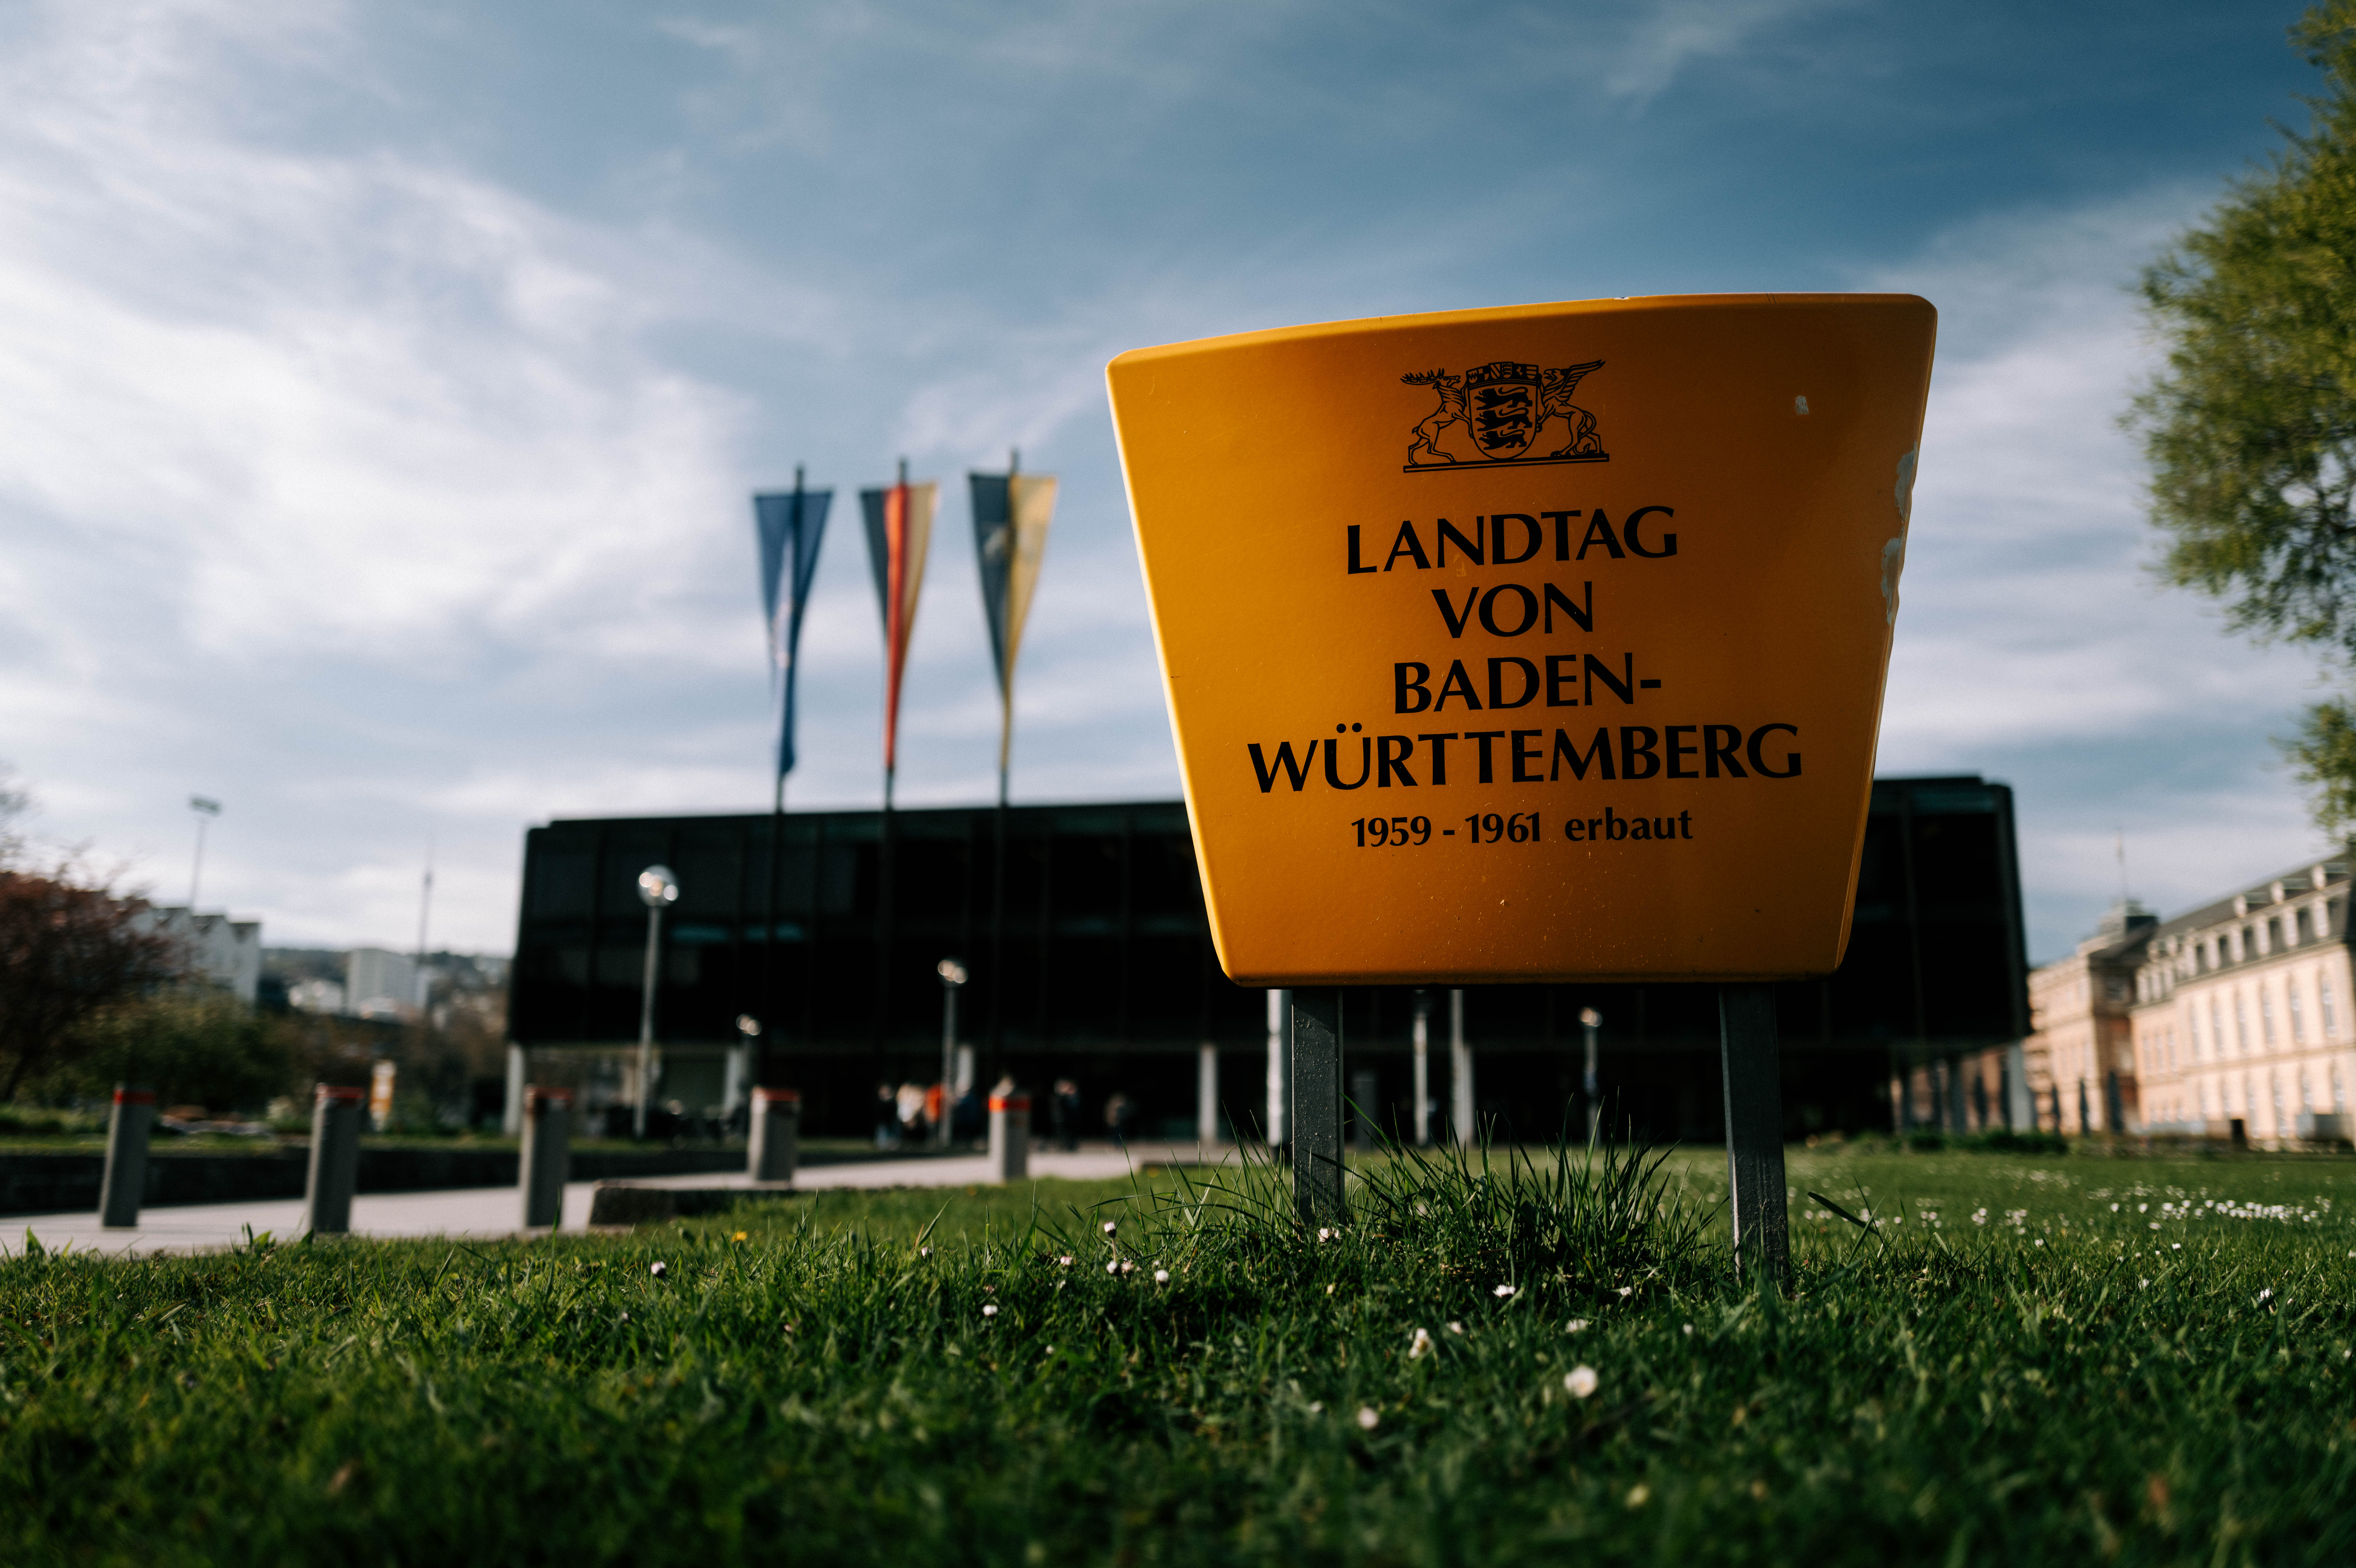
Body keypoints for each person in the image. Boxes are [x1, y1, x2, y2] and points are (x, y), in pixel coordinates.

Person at [1051, 1078, 1080, 1152]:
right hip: (1064, 1119)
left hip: (1073, 1119)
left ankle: (1072, 1146)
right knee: (1063, 1133)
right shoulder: (1061, 1097)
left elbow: (1075, 1107)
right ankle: (1065, 1146)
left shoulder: (1074, 1097)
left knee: (1072, 1134)